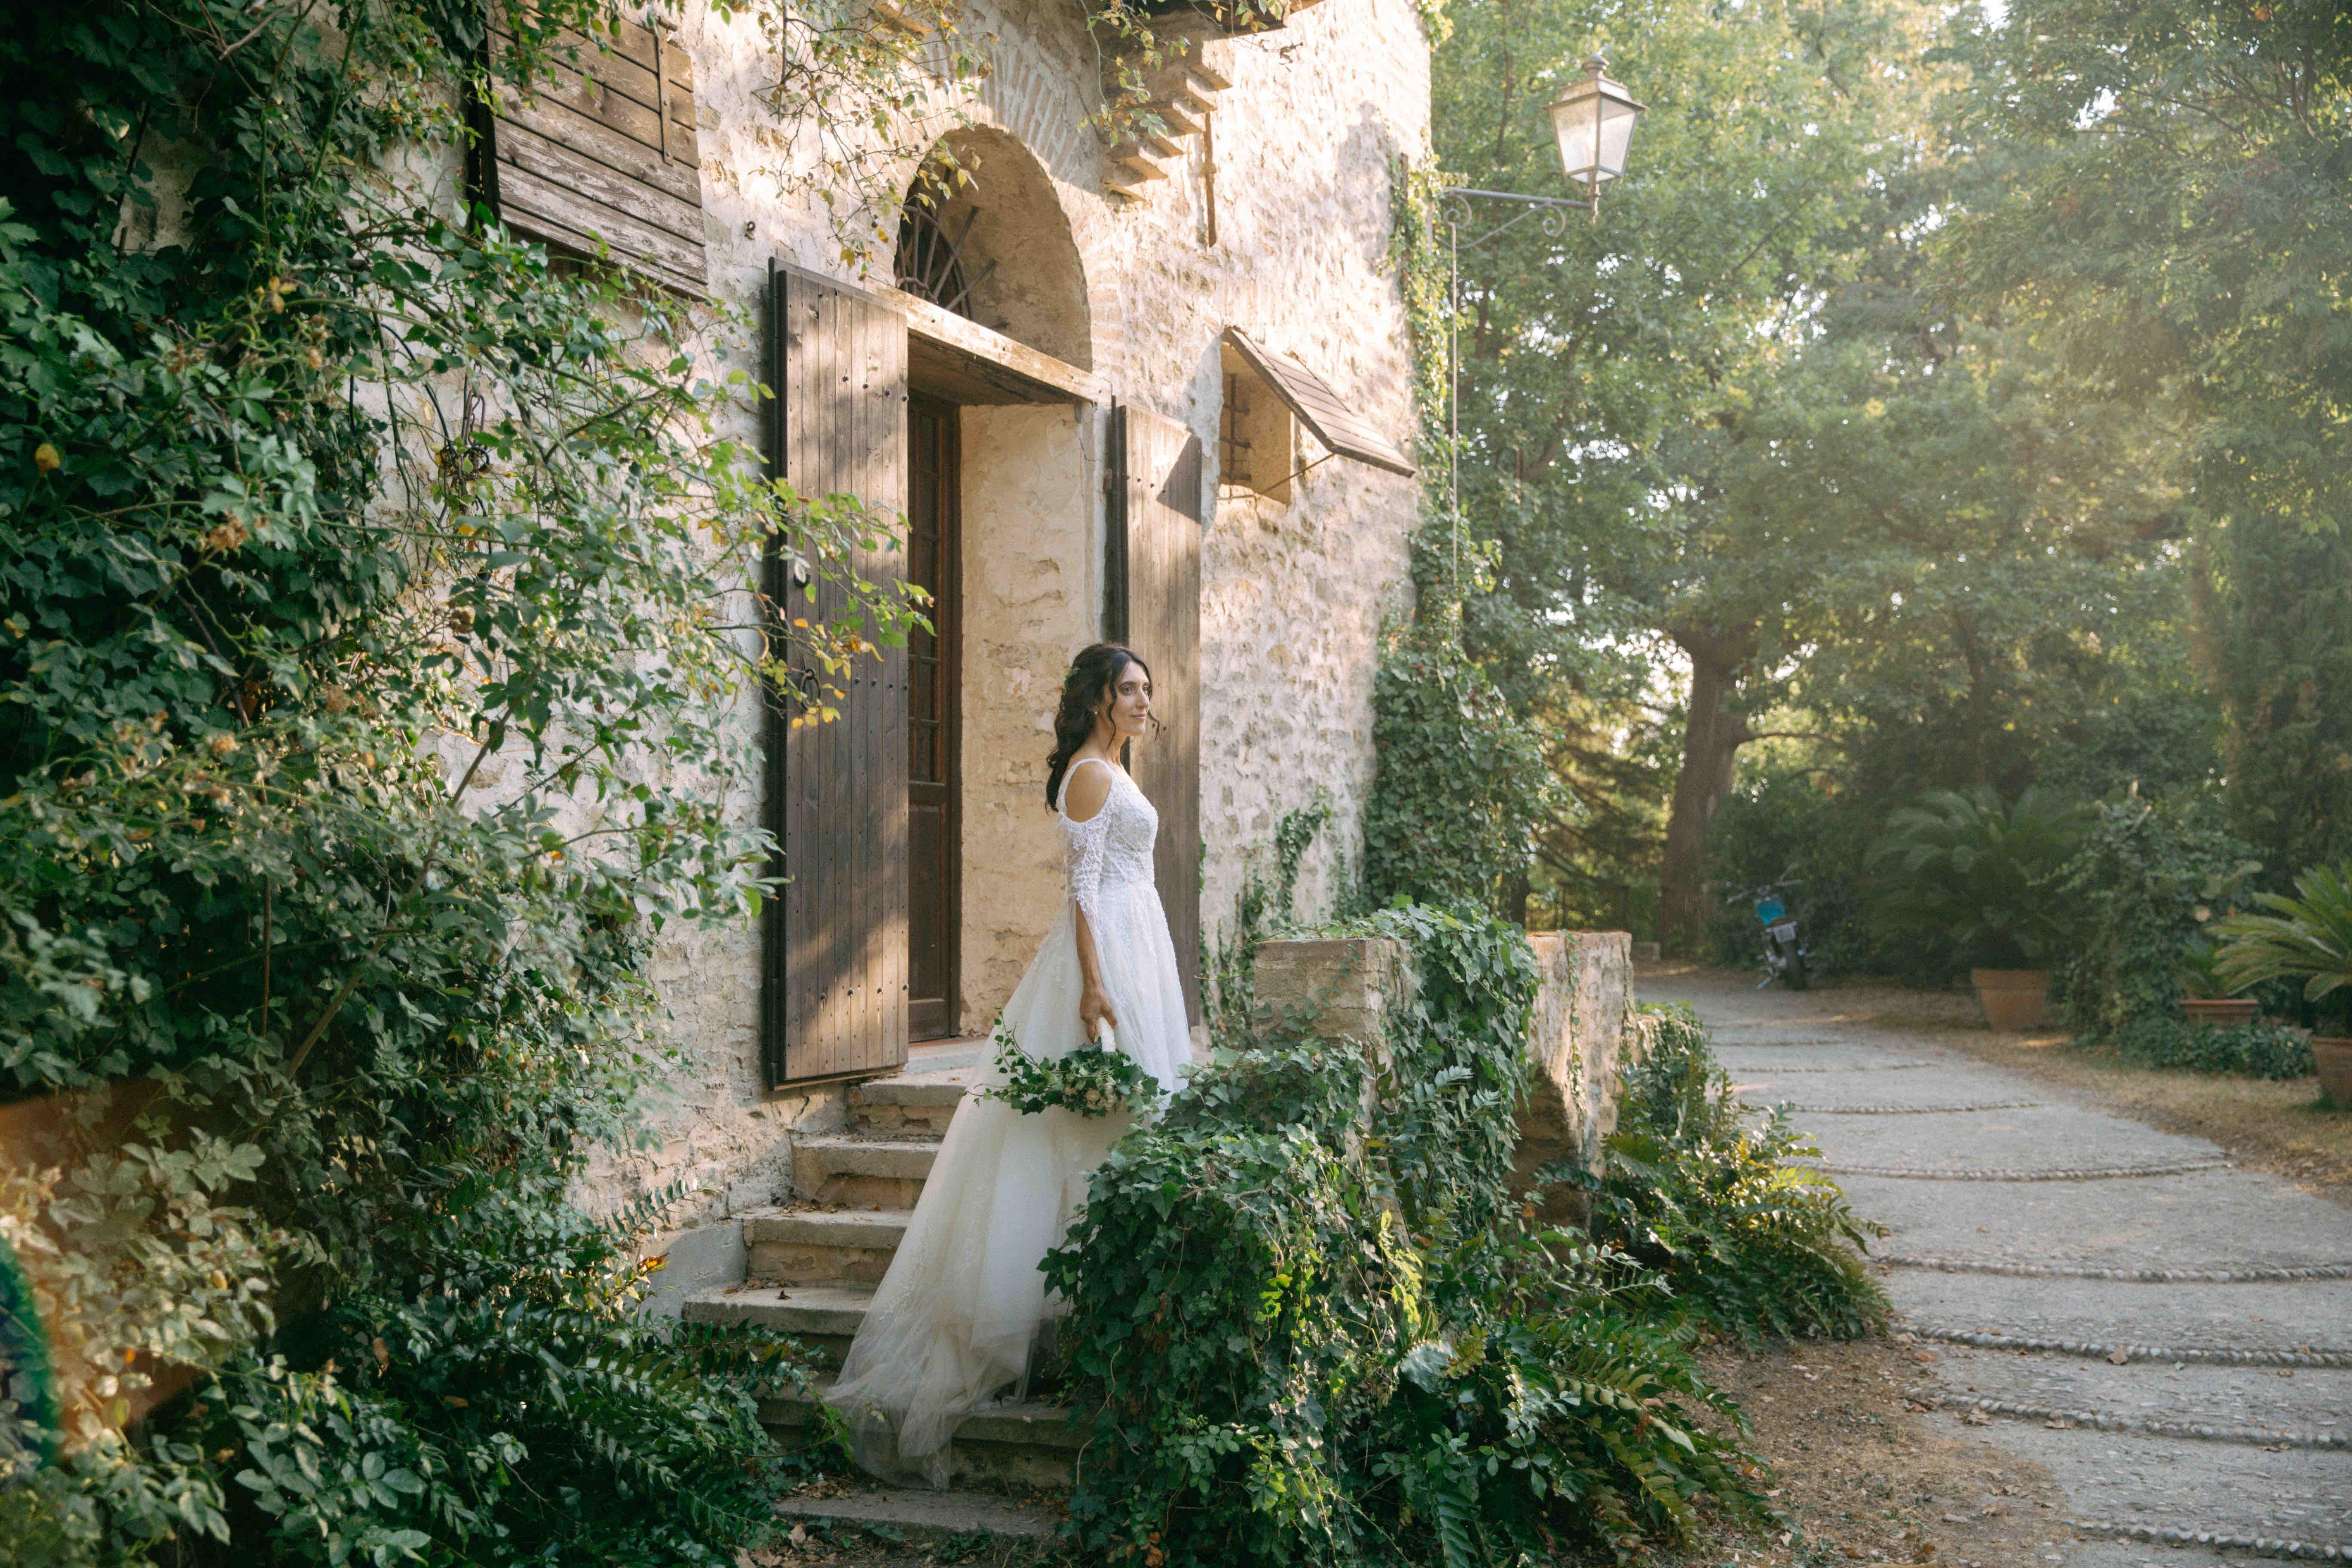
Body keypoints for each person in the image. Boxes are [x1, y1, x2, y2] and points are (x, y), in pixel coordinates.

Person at [823, 642, 1191, 1485]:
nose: (1143, 701)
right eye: (1129, 689)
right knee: (1075, 1131)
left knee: (1120, 1128)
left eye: (1146, 688)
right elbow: (1083, 892)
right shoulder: (1091, 775)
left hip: (1141, 941)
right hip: (1107, 956)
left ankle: (1099, 1307)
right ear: (1099, 700)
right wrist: (1094, 989)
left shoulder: (1114, 768)